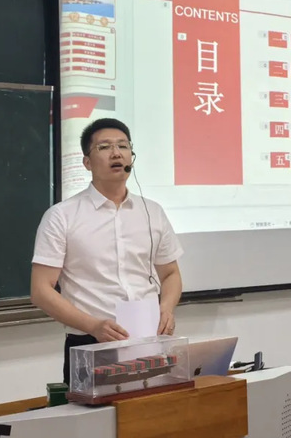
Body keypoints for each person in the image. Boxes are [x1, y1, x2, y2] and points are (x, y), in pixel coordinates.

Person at [30, 118, 184, 384]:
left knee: (156, 409)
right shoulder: (62, 216)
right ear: (87, 162)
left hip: (150, 341)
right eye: (104, 147)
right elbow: (41, 290)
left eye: (123, 146)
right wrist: (93, 326)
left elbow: (170, 274)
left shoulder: (152, 212)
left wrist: (167, 308)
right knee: (97, 413)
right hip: (91, 344)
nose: (116, 153)